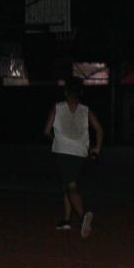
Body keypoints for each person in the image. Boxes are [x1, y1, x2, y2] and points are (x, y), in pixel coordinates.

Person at [43, 78, 104, 238]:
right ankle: (67, 219)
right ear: (80, 94)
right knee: (67, 183)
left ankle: (84, 215)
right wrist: (96, 149)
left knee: (70, 185)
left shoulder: (57, 108)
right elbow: (99, 129)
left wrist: (56, 139)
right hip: (81, 153)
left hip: (63, 152)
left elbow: (46, 131)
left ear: (65, 93)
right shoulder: (86, 110)